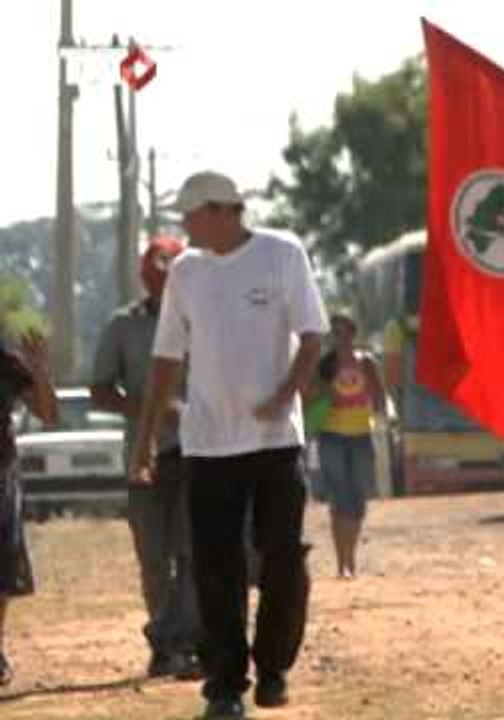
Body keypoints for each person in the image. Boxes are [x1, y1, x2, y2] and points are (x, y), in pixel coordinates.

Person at [129, 170, 329, 720]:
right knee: (215, 567)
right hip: (208, 446)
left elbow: (313, 336)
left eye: (190, 217)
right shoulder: (187, 274)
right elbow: (166, 359)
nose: (185, 229)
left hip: (275, 442)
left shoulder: (282, 254)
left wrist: (286, 393)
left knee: (283, 557)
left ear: (219, 211)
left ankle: (273, 668)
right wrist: (146, 441)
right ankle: (224, 686)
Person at [91, 235, 202, 679]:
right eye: (157, 281)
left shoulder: (207, 319)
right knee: (153, 556)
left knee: (193, 552)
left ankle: (189, 642)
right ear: (145, 280)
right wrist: (150, 406)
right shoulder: (123, 326)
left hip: (199, 452)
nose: (165, 289)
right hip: (146, 456)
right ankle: (164, 642)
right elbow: (99, 391)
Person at [310, 311, 386, 579]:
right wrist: (324, 393)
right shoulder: (325, 365)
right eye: (336, 333)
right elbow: (310, 396)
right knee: (339, 499)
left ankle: (351, 556)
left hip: (361, 436)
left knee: (358, 500)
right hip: (331, 436)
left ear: (354, 334)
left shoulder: (367, 363)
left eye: (345, 333)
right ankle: (341, 562)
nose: (341, 338)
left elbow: (379, 398)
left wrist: (383, 421)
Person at [0, 329, 57, 684]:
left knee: (3, 567)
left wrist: (38, 370)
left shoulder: (7, 363)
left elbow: (49, 414)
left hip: (1, 476)